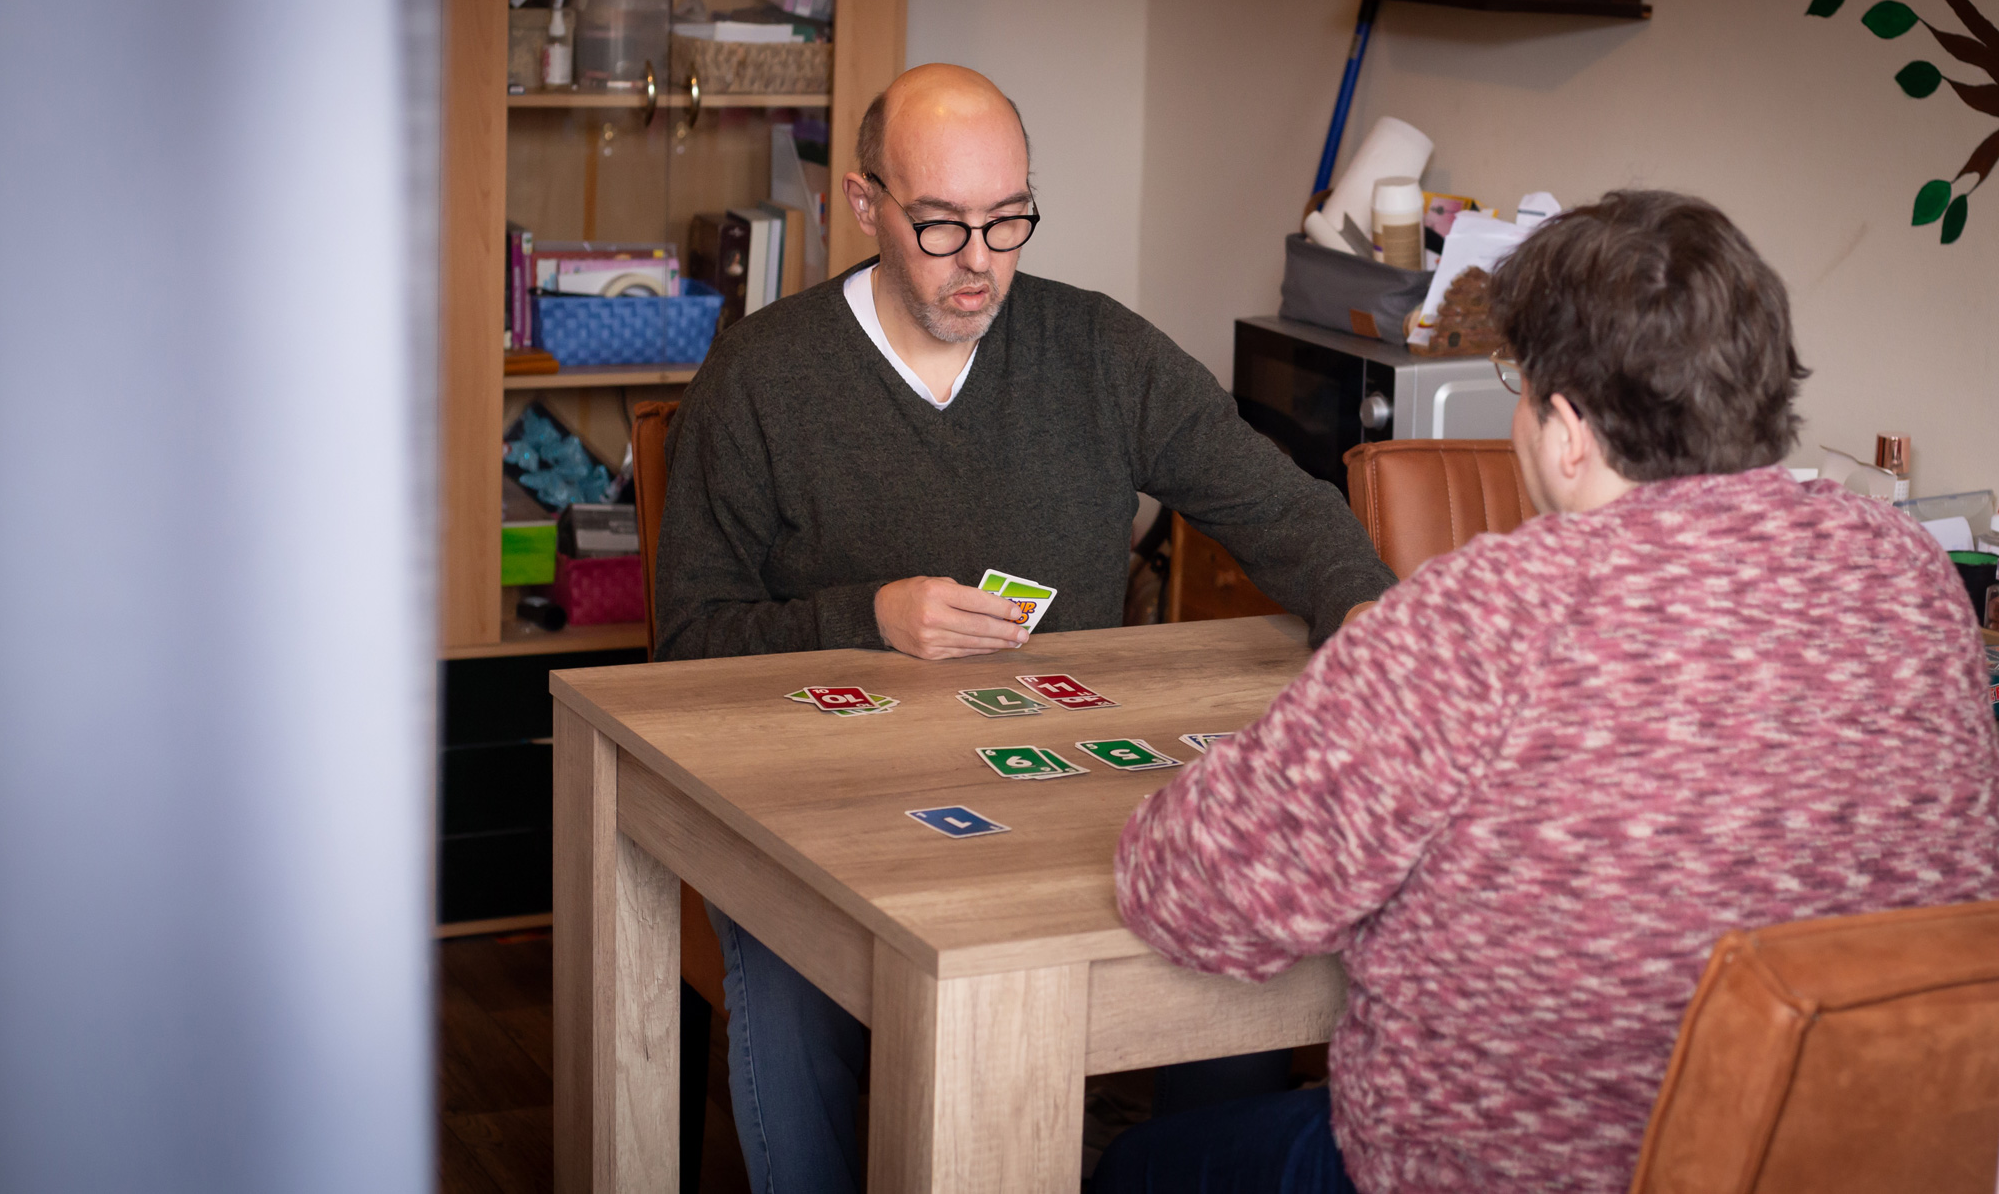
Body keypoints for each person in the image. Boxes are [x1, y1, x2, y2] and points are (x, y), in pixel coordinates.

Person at [1100, 190, 1999, 1194]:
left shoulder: (1487, 613)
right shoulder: (1909, 574)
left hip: (1502, 1173)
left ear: (1566, 429)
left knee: (1130, 1164)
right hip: (1846, 1164)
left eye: (1517, 386)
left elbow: (1189, 893)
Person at [652, 63, 1398, 1192]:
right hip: (821, 807)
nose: (981, 262)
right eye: (942, 225)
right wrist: (868, 618)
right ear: (863, 205)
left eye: (1009, 221)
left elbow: (1285, 507)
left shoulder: (1096, 350)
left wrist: (1380, 635)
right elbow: (685, 646)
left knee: (1242, 932)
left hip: (1062, 791)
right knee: (787, 979)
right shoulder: (759, 377)